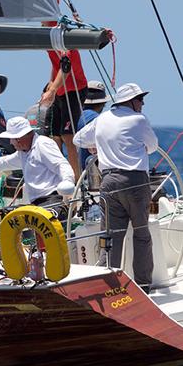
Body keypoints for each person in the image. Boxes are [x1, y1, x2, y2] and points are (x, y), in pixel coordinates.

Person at [73, 83, 158, 292]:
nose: (143, 103)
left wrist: (96, 145)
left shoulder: (101, 119)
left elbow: (77, 139)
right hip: (135, 182)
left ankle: (108, 284)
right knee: (141, 234)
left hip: (108, 183)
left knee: (111, 235)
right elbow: (153, 146)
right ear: (129, 102)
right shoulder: (139, 119)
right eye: (140, 99)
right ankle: (143, 285)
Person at [0, 117, 75, 209]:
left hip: (52, 199)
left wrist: (68, 181)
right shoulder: (23, 152)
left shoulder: (43, 144)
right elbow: (4, 162)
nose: (10, 142)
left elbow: (61, 165)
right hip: (37, 204)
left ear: (19, 138)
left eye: (12, 138)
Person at [40, 32, 88, 177]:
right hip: (60, 90)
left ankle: (76, 180)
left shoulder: (60, 35)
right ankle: (58, 177)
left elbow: (65, 66)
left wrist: (53, 90)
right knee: (53, 136)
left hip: (74, 89)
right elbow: (55, 64)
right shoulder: (48, 34)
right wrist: (51, 82)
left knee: (68, 136)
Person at [75, 81, 112, 171]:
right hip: (92, 172)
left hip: (80, 171)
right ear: (103, 104)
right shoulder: (96, 120)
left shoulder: (76, 116)